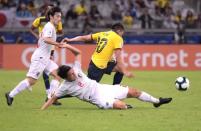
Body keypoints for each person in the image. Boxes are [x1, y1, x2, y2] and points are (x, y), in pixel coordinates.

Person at [41, 46, 172, 110]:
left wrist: (66, 46)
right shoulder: (64, 87)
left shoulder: (76, 70)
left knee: (134, 91)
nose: (74, 74)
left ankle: (156, 101)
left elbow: (78, 53)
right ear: (66, 77)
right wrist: (41, 111)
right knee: (121, 106)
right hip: (99, 99)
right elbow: (52, 99)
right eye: (71, 74)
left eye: (73, 72)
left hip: (104, 89)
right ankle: (121, 104)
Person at [5, 7, 68, 106]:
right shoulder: (49, 27)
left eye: (60, 16)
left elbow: (47, 39)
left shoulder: (50, 26)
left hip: (45, 58)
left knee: (58, 74)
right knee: (31, 81)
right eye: (57, 16)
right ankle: (11, 94)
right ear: (51, 16)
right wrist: (58, 44)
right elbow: (46, 39)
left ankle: (49, 97)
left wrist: (59, 43)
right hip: (40, 58)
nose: (59, 18)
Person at [64, 23, 133, 85]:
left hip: (100, 63)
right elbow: (118, 57)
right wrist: (125, 71)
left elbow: (84, 38)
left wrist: (70, 40)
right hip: (97, 67)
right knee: (86, 89)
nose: (122, 35)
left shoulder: (102, 34)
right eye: (122, 33)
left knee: (120, 69)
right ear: (119, 31)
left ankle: (116, 88)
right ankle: (60, 93)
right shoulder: (118, 38)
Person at [29, 4, 63, 105]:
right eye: (48, 9)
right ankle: (50, 95)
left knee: (49, 71)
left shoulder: (57, 21)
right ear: (46, 11)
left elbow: (61, 32)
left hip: (51, 46)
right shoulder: (39, 20)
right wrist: (39, 36)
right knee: (46, 71)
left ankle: (50, 96)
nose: (49, 10)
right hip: (43, 46)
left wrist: (54, 33)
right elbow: (31, 28)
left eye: (51, 9)